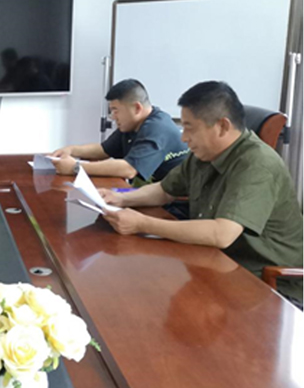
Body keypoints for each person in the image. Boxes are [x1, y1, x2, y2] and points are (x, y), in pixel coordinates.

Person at [99, 81, 303, 307]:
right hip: (218, 261)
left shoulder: (257, 164)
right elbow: (164, 190)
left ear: (222, 127)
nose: (184, 138)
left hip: (265, 282)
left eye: (190, 128)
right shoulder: (205, 153)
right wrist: (121, 198)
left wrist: (142, 224)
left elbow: (222, 234)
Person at [52, 79, 188, 184]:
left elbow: (129, 169)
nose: (112, 117)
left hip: (174, 203)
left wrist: (75, 167)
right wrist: (71, 150)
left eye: (115, 110)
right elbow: (103, 150)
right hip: (150, 193)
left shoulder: (157, 129)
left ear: (137, 108)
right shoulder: (131, 124)